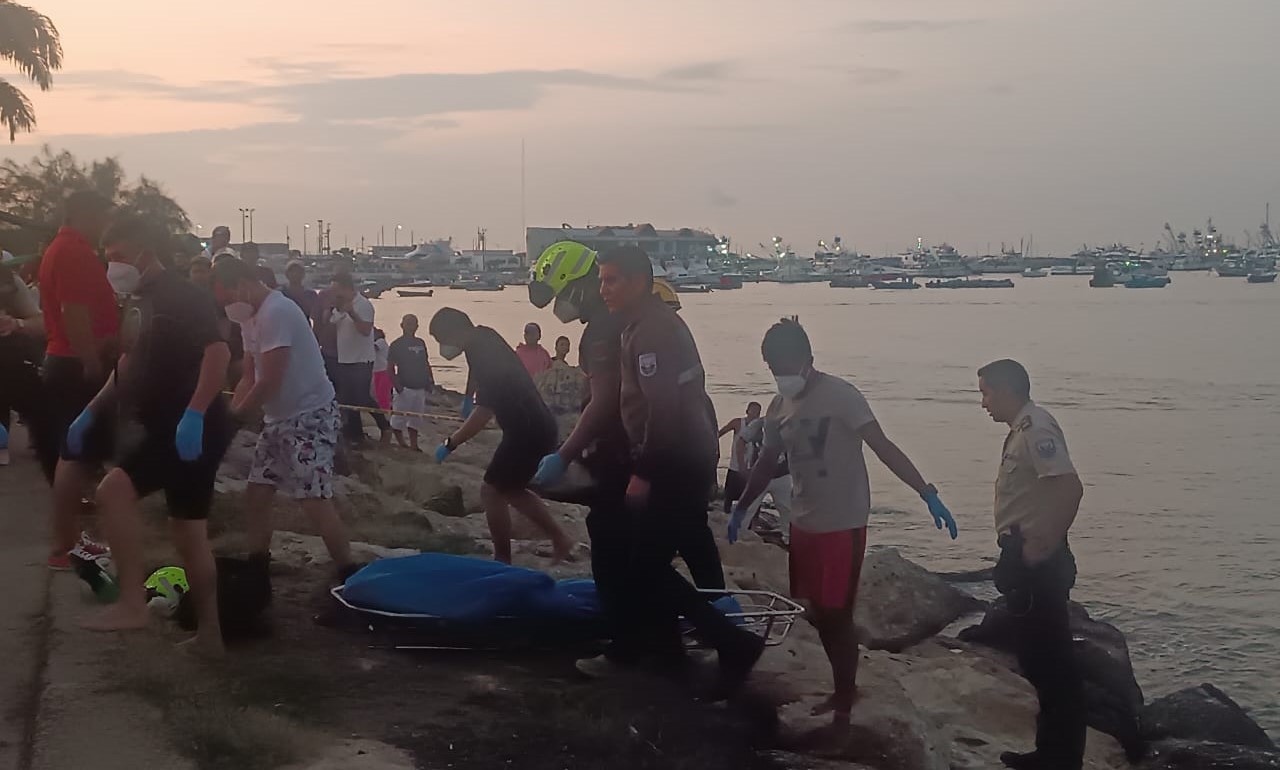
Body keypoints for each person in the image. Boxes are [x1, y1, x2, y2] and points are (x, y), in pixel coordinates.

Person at [732, 317, 958, 725]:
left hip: (843, 523)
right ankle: (842, 690)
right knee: (818, 611)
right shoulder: (778, 407)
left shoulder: (842, 396)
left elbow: (882, 445)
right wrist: (740, 506)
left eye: (786, 365)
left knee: (837, 613)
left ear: (808, 359)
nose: (782, 376)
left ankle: (844, 698)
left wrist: (926, 491)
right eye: (773, 369)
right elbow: (767, 462)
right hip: (803, 523)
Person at [594, 245, 764, 695]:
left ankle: (730, 643)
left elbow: (663, 409)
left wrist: (643, 471)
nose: (603, 289)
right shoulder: (643, 326)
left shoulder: (652, 332)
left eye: (611, 280)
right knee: (663, 554)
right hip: (684, 457)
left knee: (643, 567)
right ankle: (669, 649)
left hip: (674, 462)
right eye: (601, 280)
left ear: (637, 281)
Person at [66, 217, 232, 654]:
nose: (112, 267)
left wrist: (195, 412)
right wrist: (90, 411)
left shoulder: (182, 294)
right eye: (108, 258)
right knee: (188, 532)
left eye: (117, 257)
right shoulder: (138, 298)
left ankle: (131, 605)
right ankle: (210, 637)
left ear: (143, 251)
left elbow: (218, 353)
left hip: (190, 424)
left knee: (112, 492)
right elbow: (129, 364)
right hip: (167, 424)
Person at [213, 257, 354, 576]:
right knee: (257, 492)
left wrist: (237, 419)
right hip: (278, 418)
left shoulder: (278, 311)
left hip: (310, 415)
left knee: (313, 499)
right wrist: (232, 416)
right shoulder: (249, 317)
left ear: (244, 285)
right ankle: (257, 564)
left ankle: (349, 571)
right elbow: (249, 375)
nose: (229, 306)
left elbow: (270, 379)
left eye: (229, 297)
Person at [978, 359, 1086, 770]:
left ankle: (1062, 759)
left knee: (1053, 662)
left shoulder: (1036, 429)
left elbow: (1070, 487)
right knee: (1039, 659)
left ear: (1007, 391)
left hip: (1038, 561)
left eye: (986, 393)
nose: (984, 403)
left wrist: (1042, 545)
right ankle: (1050, 752)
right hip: (1024, 557)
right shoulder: (1021, 430)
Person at [427, 307, 574, 564]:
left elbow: (483, 414)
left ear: (456, 333)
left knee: (491, 491)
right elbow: (476, 376)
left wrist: (451, 443)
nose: (443, 348)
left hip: (528, 431)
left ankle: (503, 558)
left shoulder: (485, 353)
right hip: (533, 425)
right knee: (512, 490)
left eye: (442, 341)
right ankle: (559, 539)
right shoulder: (482, 337)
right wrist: (467, 396)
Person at [38, 191, 120, 569]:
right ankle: (64, 545)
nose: (105, 222)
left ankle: (68, 540)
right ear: (84, 211)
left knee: (74, 454)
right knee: (75, 455)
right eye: (102, 212)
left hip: (67, 359)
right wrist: (90, 359)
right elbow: (74, 311)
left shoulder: (63, 248)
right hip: (75, 362)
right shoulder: (71, 252)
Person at [328, 272, 391, 444]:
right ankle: (355, 433)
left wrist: (352, 313)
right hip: (344, 358)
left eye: (336, 290)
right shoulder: (338, 306)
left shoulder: (364, 305)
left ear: (345, 288)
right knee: (347, 398)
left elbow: (365, 331)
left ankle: (384, 426)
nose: (333, 294)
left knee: (362, 397)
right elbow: (333, 324)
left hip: (362, 359)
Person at [0, 251, 46, 467]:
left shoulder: (11, 282)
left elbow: (40, 322)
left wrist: (16, 324)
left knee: (40, 402)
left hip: (11, 363)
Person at [737, 416, 795, 545]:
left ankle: (789, 538)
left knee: (786, 508)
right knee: (748, 506)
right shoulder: (759, 424)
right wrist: (742, 466)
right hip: (760, 475)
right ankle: (737, 534)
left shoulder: (790, 423)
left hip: (782, 475)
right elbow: (741, 440)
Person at [387, 313, 434, 451]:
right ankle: (401, 443)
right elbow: (390, 367)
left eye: (413, 323)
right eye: (408, 323)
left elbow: (426, 363)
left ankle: (414, 445)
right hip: (405, 387)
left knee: (416, 419)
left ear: (417, 326)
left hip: (420, 387)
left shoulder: (420, 342)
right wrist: (397, 386)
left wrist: (430, 380)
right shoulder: (396, 344)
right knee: (398, 419)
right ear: (402, 325)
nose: (411, 326)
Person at [718, 402, 762, 514]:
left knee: (752, 496)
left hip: (751, 468)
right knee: (729, 495)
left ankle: (753, 522)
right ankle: (726, 515)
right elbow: (720, 433)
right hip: (735, 466)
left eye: (758, 412)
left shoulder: (760, 427)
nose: (755, 414)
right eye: (753, 410)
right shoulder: (737, 423)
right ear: (747, 411)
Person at [534, 334, 587, 415]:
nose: (565, 347)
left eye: (567, 345)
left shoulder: (568, 368)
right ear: (556, 347)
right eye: (562, 344)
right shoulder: (550, 363)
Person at [371, 328, 393, 413]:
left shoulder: (381, 341)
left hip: (384, 370)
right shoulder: (377, 342)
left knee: (382, 394)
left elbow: (374, 348)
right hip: (376, 371)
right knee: (377, 394)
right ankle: (382, 410)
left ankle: (385, 410)